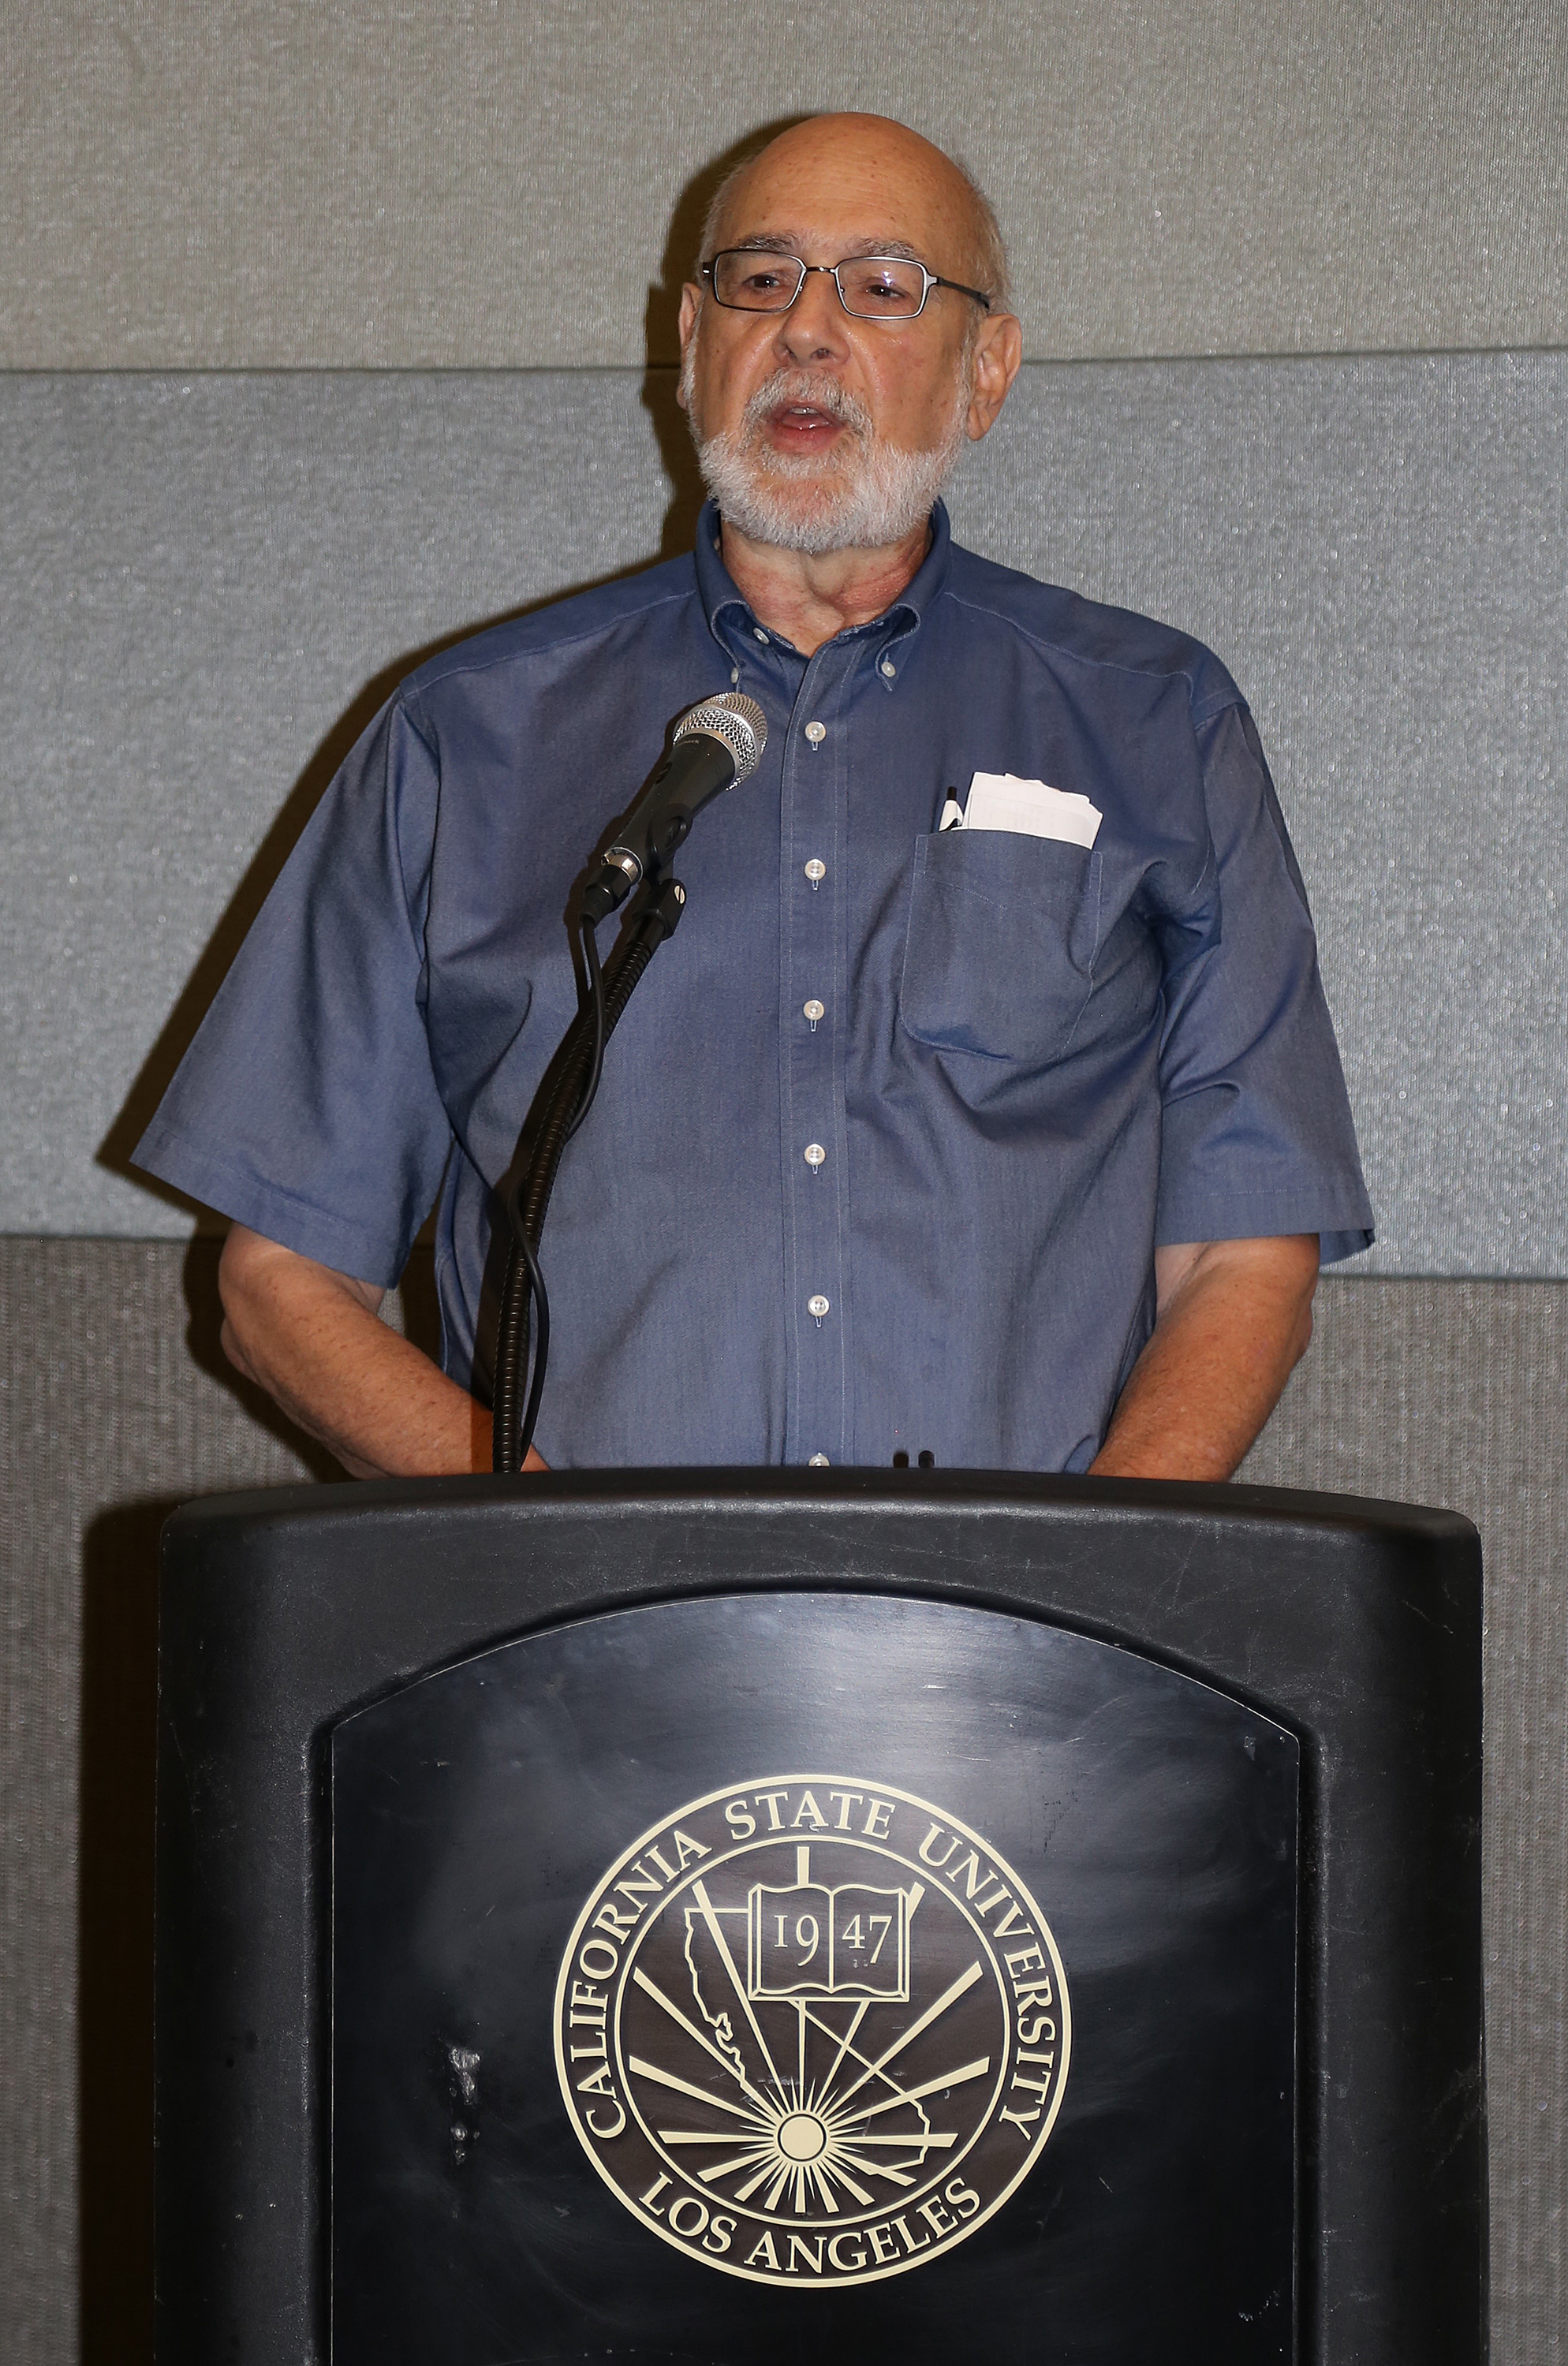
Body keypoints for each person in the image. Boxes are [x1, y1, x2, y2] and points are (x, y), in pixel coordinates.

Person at [133, 113, 1372, 1482]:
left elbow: (1241, 1254)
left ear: (987, 371)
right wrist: (541, 1555)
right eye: (762, 278)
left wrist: (1082, 1596)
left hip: (1018, 1659)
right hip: (581, 1662)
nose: (808, 331)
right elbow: (279, 1281)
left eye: (885, 286)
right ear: (689, 340)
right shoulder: (465, 735)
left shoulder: (1157, 721)